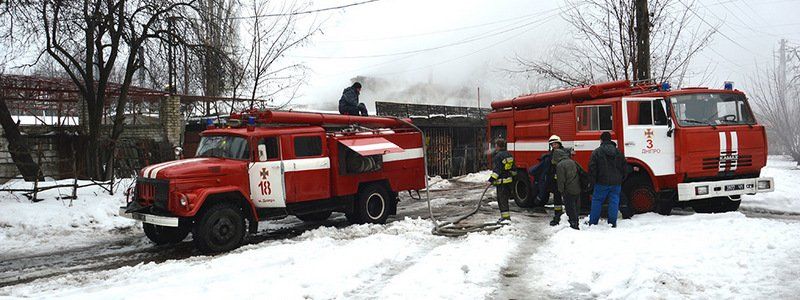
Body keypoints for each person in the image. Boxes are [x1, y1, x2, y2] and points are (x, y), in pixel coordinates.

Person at [588, 131, 626, 227]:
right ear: (610, 140)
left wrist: (592, 182)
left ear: (601, 140)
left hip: (601, 182)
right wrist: (621, 179)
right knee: (614, 201)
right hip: (616, 183)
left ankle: (593, 223)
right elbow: (624, 167)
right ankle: (612, 223)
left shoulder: (596, 152)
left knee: (597, 201)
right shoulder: (618, 152)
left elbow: (592, 169)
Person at [528, 135, 565, 226]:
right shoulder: (549, 156)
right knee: (556, 199)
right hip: (552, 180)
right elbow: (542, 168)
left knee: (561, 198)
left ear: (559, 144)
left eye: (555, 144)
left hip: (562, 180)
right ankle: (558, 215)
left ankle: (561, 216)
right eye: (552, 144)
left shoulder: (564, 154)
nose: (553, 146)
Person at [488, 138, 516, 224]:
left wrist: (491, 180)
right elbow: (514, 169)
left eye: (495, 145)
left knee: (502, 200)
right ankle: (505, 217)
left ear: (497, 146)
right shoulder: (508, 154)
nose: (495, 147)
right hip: (509, 181)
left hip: (501, 182)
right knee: (505, 199)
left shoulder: (498, 156)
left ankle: (505, 218)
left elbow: (497, 170)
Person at [553, 148, 581, 230]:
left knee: (570, 208)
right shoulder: (572, 161)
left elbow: (561, 180)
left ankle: (573, 224)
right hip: (577, 188)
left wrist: (561, 190)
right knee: (576, 207)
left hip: (568, 190)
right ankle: (576, 221)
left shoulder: (560, 165)